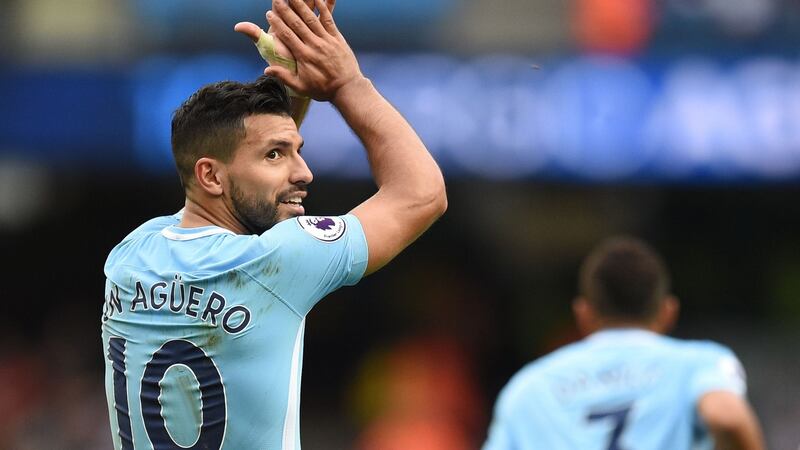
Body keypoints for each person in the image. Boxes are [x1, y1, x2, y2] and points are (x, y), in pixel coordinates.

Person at [100, 0, 447, 448]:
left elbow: (236, 190)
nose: (305, 173)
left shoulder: (129, 258)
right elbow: (422, 194)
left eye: (296, 151)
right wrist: (346, 83)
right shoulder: (276, 262)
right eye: (276, 155)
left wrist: (288, 96)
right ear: (210, 176)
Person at [483, 237, 765, 450]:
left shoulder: (528, 386)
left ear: (583, 314)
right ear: (668, 312)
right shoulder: (699, 363)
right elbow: (726, 417)